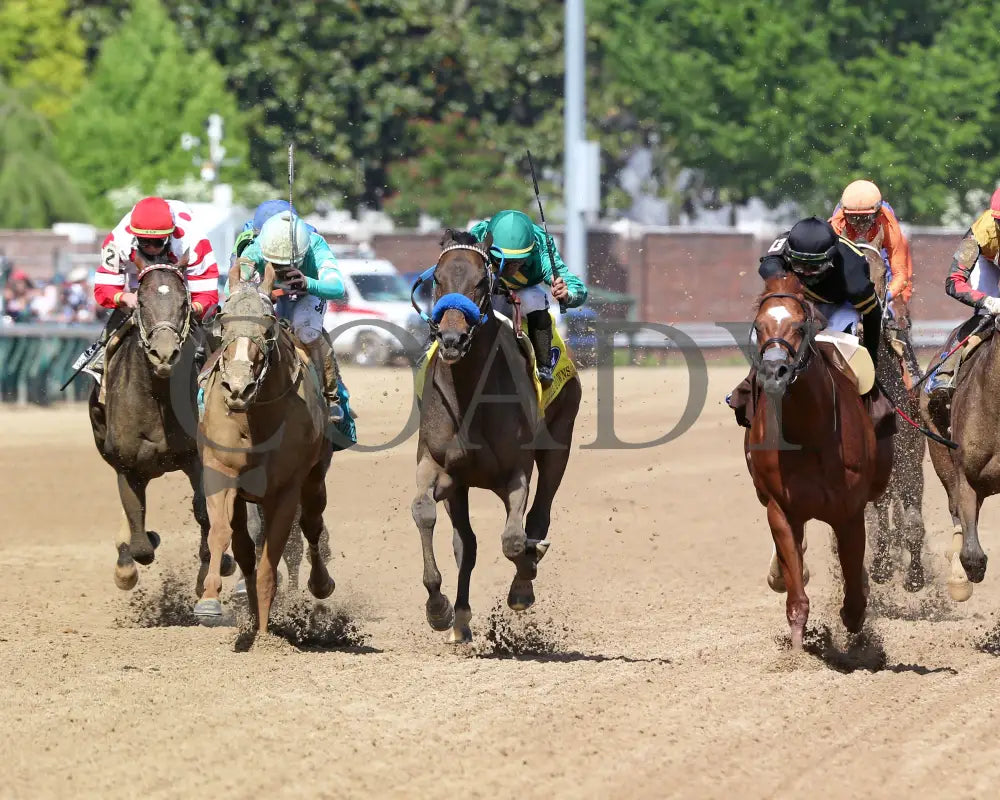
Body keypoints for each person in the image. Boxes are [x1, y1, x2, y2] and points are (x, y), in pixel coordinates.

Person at [727, 216, 882, 427]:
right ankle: (750, 389)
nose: (807, 273)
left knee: (843, 341)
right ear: (789, 255)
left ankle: (859, 400)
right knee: (768, 332)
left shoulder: (854, 278)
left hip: (838, 305)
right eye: (800, 266)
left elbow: (873, 315)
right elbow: (772, 279)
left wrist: (871, 359)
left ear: (833, 260)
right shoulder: (778, 257)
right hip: (798, 297)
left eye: (815, 268)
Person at [79, 196, 218, 381]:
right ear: (135, 235)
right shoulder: (118, 241)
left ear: (169, 236)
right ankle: (100, 372)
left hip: (180, 281)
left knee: (209, 332)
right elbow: (104, 289)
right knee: (118, 322)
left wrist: (191, 308)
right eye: (145, 241)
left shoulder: (193, 242)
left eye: (158, 242)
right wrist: (125, 298)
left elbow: (207, 294)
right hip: (136, 278)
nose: (152, 248)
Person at [235, 211, 351, 432]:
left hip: (308, 292)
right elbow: (234, 282)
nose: (283, 271)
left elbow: (337, 288)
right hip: (268, 292)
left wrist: (308, 283)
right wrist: (250, 282)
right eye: (276, 266)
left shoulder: (316, 246)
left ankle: (332, 397)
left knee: (306, 331)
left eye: (287, 265)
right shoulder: (257, 246)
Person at [469, 209, 588, 384]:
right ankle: (433, 344)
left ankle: (544, 366)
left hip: (522, 292)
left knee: (536, 298)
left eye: (518, 261)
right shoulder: (477, 237)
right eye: (503, 260)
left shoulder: (542, 249)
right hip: (485, 288)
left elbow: (578, 288)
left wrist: (567, 294)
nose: (510, 268)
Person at [924, 187, 1000, 400]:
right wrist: (988, 301)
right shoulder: (980, 232)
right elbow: (953, 282)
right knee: (986, 316)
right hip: (989, 263)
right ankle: (945, 372)